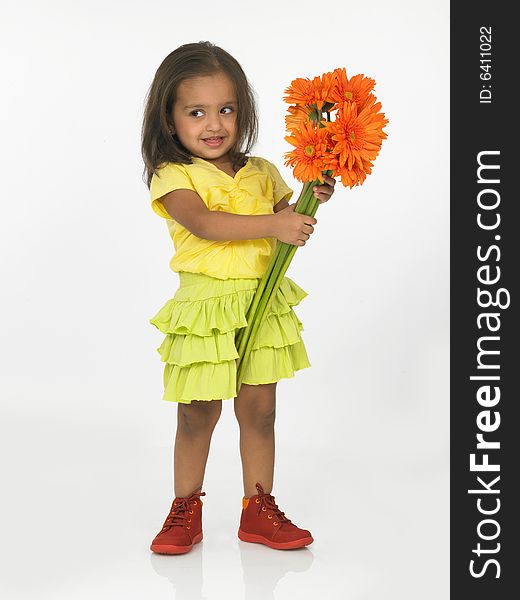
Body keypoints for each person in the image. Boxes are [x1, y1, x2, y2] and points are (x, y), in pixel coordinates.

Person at [141, 41, 335, 554]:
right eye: (196, 111)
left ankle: (259, 509)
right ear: (169, 120)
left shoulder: (263, 170)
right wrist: (277, 222)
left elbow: (287, 210)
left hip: (261, 303)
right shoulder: (174, 176)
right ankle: (185, 509)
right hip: (206, 308)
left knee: (260, 411)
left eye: (226, 109)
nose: (214, 124)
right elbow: (205, 223)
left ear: (242, 112)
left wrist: (314, 192)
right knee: (196, 413)